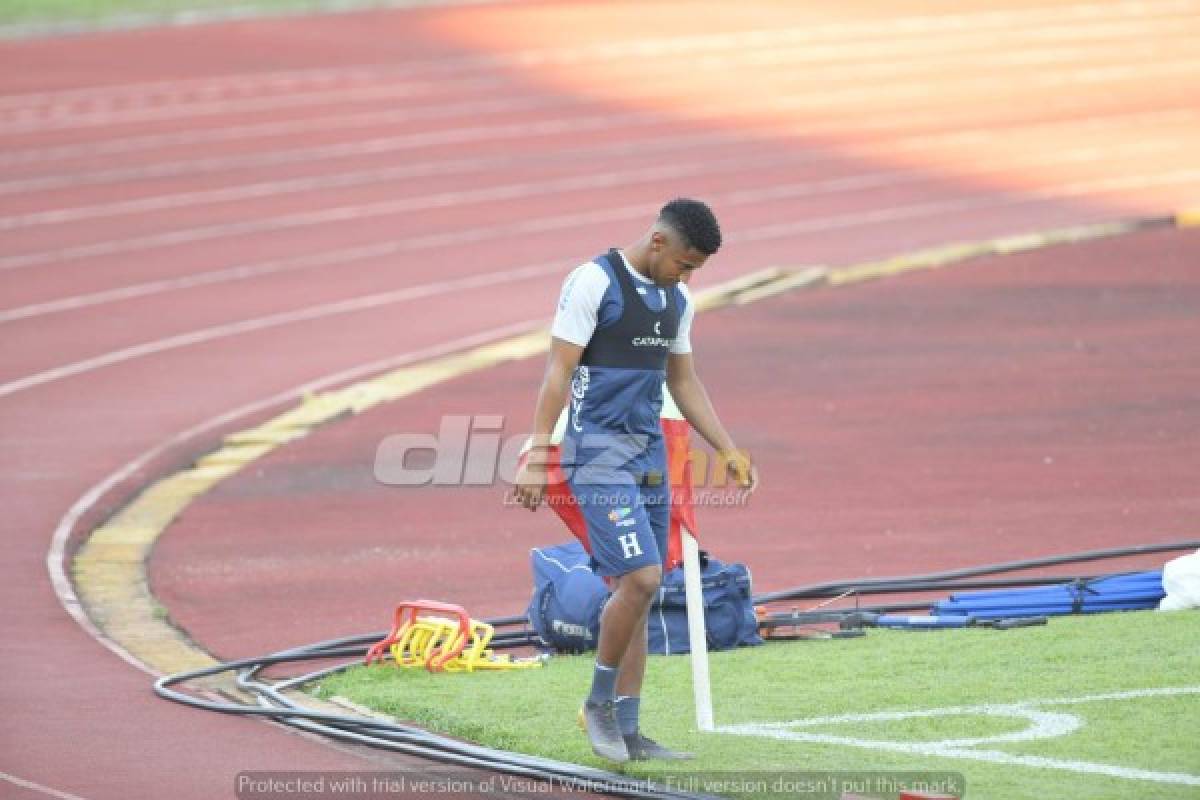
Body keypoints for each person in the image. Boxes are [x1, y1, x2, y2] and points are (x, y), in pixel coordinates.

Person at [511, 198, 757, 763]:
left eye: (696, 269)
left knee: (640, 593)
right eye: (685, 263)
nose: (688, 275)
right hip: (595, 454)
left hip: (646, 453)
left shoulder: (678, 299)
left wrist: (726, 448)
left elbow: (685, 381)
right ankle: (598, 703)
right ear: (657, 242)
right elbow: (558, 372)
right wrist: (539, 453)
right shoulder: (593, 282)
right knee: (642, 579)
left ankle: (630, 728)